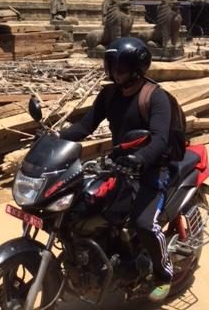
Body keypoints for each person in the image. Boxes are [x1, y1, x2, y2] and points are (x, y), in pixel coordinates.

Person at [60, 36, 173, 303]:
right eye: (110, 65)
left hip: (152, 168)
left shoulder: (156, 97)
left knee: (144, 223)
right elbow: (84, 127)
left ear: (136, 68)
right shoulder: (108, 94)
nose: (113, 72)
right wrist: (54, 138)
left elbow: (160, 139)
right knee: (82, 208)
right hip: (118, 166)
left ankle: (163, 274)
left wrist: (141, 158)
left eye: (119, 67)